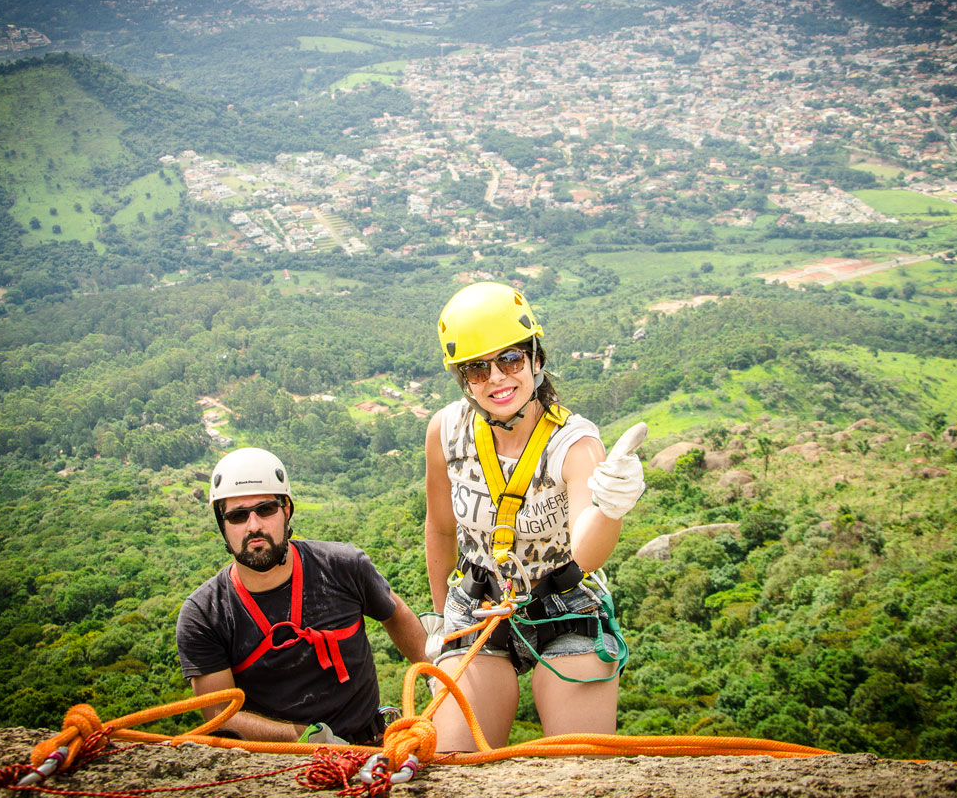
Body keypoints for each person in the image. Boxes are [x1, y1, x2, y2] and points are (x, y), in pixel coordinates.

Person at [424, 282, 646, 751]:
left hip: (560, 602)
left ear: (535, 360)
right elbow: (441, 526)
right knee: (455, 760)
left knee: (577, 766)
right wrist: (441, 615)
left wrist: (610, 508)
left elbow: (585, 548)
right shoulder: (446, 431)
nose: (497, 378)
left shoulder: (573, 443)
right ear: (463, 380)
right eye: (477, 368)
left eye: (510, 360)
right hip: (477, 604)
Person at [177, 447, 426, 743]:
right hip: (275, 761)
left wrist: (435, 678)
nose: (254, 525)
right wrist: (304, 738)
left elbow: (395, 613)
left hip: (370, 744)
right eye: (238, 516)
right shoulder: (205, 615)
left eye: (266, 509)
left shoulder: (343, 566)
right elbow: (220, 713)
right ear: (223, 525)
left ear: (286, 511)